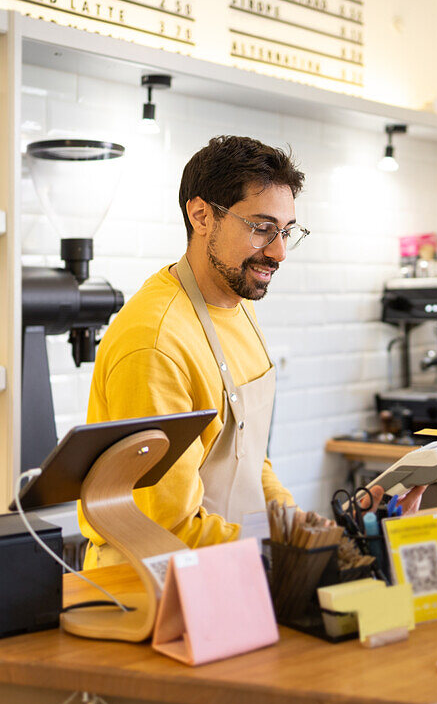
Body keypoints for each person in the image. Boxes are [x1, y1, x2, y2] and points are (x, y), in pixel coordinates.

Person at [79, 135, 308, 567]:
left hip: (227, 562)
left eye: (286, 232)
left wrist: (294, 524)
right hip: (153, 581)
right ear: (201, 215)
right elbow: (166, 524)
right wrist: (283, 556)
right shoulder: (156, 340)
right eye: (262, 228)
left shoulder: (237, 305)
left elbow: (244, 450)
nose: (278, 252)